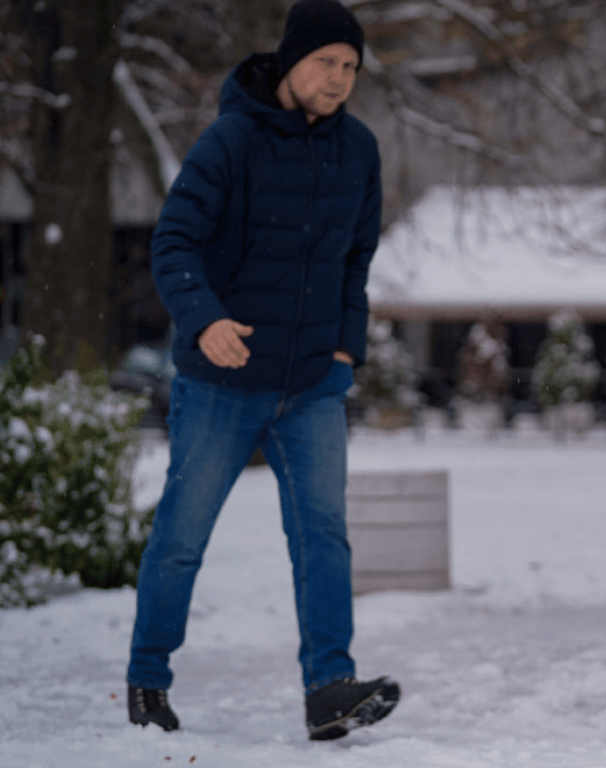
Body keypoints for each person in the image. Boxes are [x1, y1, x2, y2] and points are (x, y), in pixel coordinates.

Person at [127, 0, 398, 741]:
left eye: (351, 67)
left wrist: (345, 351)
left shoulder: (359, 150)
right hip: (221, 381)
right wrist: (205, 319)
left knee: (323, 536)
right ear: (289, 62)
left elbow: (355, 262)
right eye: (326, 63)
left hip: (311, 383)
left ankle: (329, 689)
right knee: (183, 536)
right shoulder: (231, 142)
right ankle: (148, 680)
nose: (339, 79)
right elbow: (174, 243)